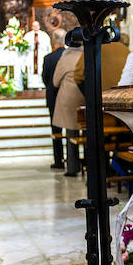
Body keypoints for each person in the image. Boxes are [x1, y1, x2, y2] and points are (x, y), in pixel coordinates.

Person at [52, 43, 83, 176]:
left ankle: (73, 167)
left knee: (72, 134)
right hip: (85, 97)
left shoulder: (65, 59)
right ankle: (88, 165)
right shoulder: (84, 56)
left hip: (69, 99)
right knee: (88, 133)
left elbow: (55, 82)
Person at [41, 27, 66, 169]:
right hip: (68, 97)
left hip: (53, 96)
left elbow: (45, 78)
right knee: (71, 127)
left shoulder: (49, 58)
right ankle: (74, 157)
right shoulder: (70, 56)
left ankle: (59, 160)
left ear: (53, 40)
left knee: (56, 130)